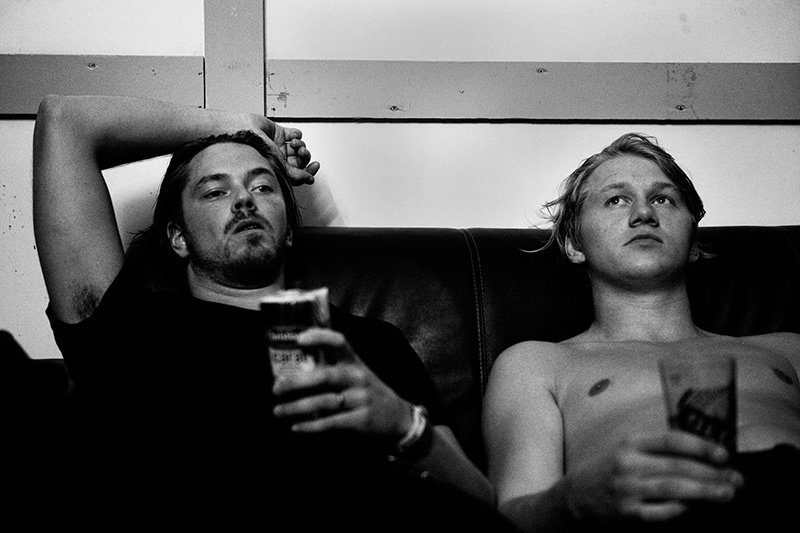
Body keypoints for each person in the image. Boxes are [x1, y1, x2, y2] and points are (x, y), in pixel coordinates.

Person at [32, 94, 512, 531]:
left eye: (263, 187)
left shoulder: (371, 343)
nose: (244, 199)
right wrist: (242, 124)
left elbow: (481, 505)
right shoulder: (131, 327)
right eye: (215, 191)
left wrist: (404, 425)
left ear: (288, 230)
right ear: (178, 237)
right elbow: (65, 121)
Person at [483, 133, 800, 532]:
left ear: (693, 241)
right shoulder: (536, 365)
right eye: (616, 199)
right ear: (574, 243)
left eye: (663, 199)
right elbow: (510, 520)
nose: (644, 213)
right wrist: (573, 498)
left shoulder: (788, 351)